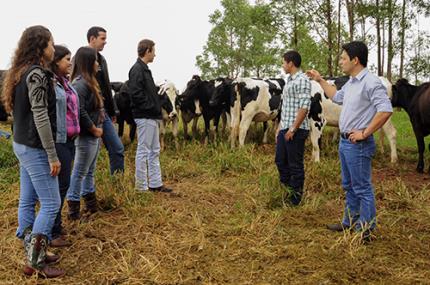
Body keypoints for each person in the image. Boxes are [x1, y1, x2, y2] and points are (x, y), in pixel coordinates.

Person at [306, 41, 393, 242]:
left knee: (362, 187)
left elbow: (385, 109)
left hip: (358, 144)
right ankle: (350, 222)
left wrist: (365, 133)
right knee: (349, 185)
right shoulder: (352, 82)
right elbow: (336, 97)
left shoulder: (371, 82)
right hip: (345, 143)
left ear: (355, 60)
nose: (341, 62)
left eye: (344, 58)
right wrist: (320, 80)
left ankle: (366, 230)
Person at [1, 25, 64, 278]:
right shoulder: (37, 74)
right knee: (51, 203)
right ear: (41, 46)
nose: (53, 48)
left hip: (20, 143)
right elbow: (40, 115)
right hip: (34, 147)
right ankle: (36, 261)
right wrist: (51, 153)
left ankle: (31, 251)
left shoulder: (20, 72)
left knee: (28, 199)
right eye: (51, 43)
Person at [128, 39, 172, 193]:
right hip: (145, 116)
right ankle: (141, 187)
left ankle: (155, 183)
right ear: (147, 51)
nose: (155, 54)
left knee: (154, 150)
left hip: (151, 116)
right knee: (144, 150)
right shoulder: (137, 70)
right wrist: (152, 106)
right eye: (153, 50)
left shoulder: (144, 69)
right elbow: (136, 94)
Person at [66, 47, 104, 220]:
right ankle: (73, 211)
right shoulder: (80, 84)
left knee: (89, 171)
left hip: (93, 136)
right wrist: (93, 128)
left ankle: (91, 205)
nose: (98, 63)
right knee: (80, 171)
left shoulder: (89, 82)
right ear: (88, 63)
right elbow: (79, 111)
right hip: (87, 136)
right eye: (95, 60)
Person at [49, 45, 79, 247]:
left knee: (64, 184)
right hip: (59, 140)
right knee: (60, 185)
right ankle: (52, 230)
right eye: (67, 59)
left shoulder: (66, 83)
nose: (70, 62)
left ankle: (55, 225)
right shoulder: (51, 84)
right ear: (56, 61)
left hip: (70, 140)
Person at [275, 50, 311, 206]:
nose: (283, 65)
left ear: (290, 63)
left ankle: (295, 199)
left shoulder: (302, 80)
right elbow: (287, 107)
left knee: (295, 164)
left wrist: (293, 129)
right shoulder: (289, 80)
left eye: (284, 62)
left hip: (297, 129)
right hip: (286, 127)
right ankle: (288, 190)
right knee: (280, 161)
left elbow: (304, 107)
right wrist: (281, 128)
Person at [87, 26, 124, 174]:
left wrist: (112, 109)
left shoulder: (102, 60)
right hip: (89, 114)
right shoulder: (81, 58)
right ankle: (83, 192)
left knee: (117, 148)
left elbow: (107, 88)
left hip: (104, 112)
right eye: (103, 39)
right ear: (92, 39)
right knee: (87, 155)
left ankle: (117, 185)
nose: (105, 42)